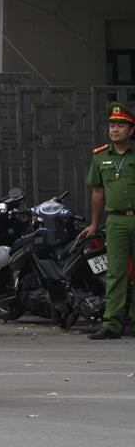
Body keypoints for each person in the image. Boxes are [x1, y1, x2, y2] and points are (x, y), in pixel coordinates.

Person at [80, 102, 135, 340]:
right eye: (112, 125)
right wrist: (94, 223)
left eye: (120, 125)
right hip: (116, 221)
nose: (115, 129)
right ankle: (112, 323)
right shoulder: (100, 156)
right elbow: (97, 191)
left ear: (131, 130)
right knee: (115, 272)